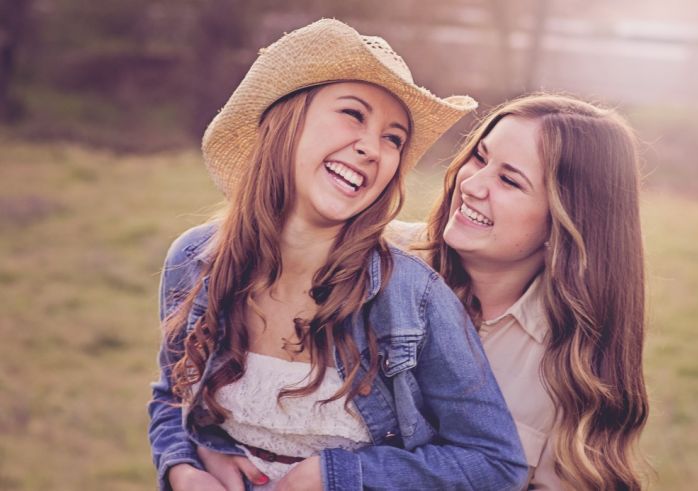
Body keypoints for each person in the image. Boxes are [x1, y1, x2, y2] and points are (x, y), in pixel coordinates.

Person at [148, 19, 527, 491]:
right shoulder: (195, 259)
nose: (373, 148)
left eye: (393, 138)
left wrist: (336, 475)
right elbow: (172, 395)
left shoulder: (411, 297)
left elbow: (493, 465)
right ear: (285, 120)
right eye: (354, 114)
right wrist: (185, 466)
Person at [388, 94, 650, 490]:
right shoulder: (380, 258)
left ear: (565, 221)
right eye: (479, 156)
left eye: (509, 180)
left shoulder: (574, 368)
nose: (472, 184)